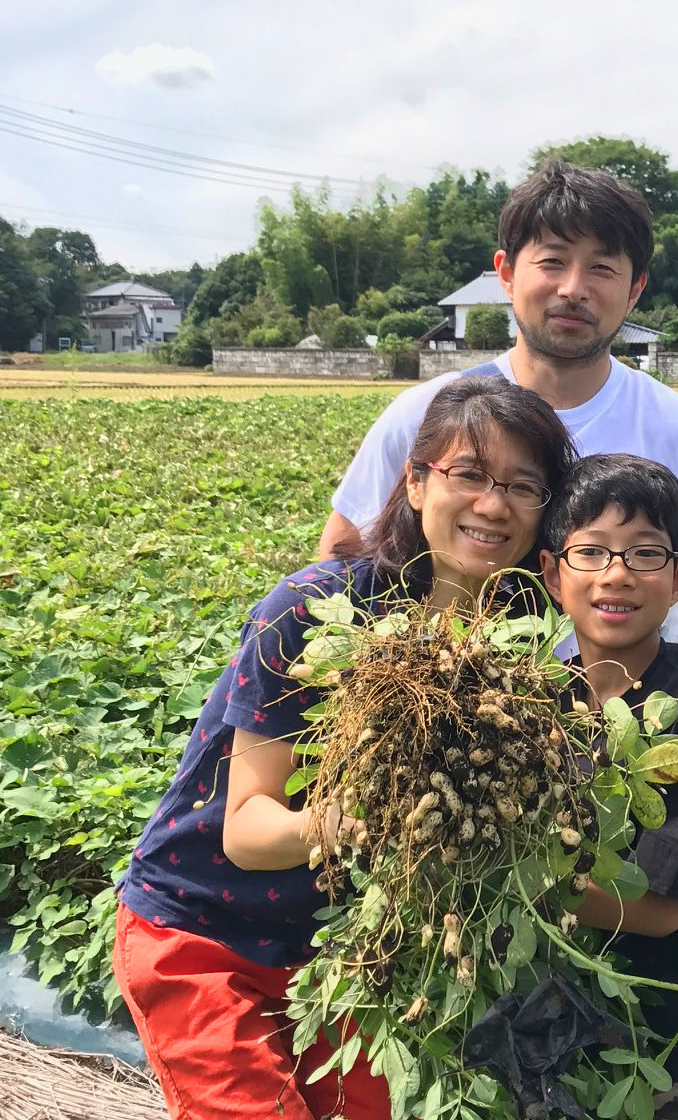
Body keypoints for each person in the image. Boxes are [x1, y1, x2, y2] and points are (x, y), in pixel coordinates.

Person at [112, 375, 575, 1120]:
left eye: (526, 486)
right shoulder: (314, 610)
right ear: (416, 482)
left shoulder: (513, 649)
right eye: (469, 475)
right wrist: (369, 820)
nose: (494, 504)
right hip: (202, 929)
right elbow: (248, 829)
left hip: (339, 952)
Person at [320, 160, 678, 696]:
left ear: (635, 290)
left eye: (602, 269)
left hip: (617, 746)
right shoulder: (428, 415)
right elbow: (344, 553)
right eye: (552, 261)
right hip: (446, 721)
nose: (574, 289)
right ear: (507, 273)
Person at [539, 454, 678, 1120]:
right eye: (592, 552)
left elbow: (658, 908)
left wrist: (508, 878)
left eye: (643, 553)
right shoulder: (549, 697)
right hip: (585, 1026)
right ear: (551, 573)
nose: (616, 574)